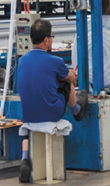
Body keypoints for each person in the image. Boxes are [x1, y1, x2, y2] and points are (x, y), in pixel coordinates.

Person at [16, 19, 88, 183]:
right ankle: (76, 110)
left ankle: (25, 159)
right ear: (47, 40)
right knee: (66, 81)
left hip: (28, 115)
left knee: (27, 129)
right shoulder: (56, 61)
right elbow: (71, 78)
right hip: (51, 113)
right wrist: (72, 75)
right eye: (52, 37)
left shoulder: (22, 60)